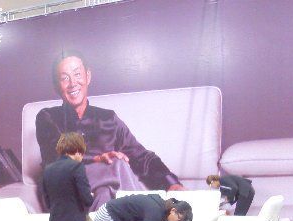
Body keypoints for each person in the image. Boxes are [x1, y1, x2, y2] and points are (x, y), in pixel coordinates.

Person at [35, 50, 184, 211]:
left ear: (88, 76)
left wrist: (171, 183)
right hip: (63, 189)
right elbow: (56, 156)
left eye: (77, 74)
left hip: (99, 198)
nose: (72, 83)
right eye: (64, 78)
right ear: (57, 85)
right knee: (117, 165)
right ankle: (148, 212)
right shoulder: (47, 117)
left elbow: (141, 156)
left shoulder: (109, 119)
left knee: (105, 192)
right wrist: (97, 159)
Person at [42, 132, 94, 221]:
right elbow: (87, 200)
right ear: (78, 150)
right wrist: (90, 195)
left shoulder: (48, 169)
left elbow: (47, 202)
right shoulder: (77, 167)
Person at [93, 194, 192, 221]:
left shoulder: (163, 212)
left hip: (118, 220)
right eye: (179, 220)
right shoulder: (156, 211)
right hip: (107, 216)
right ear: (173, 211)